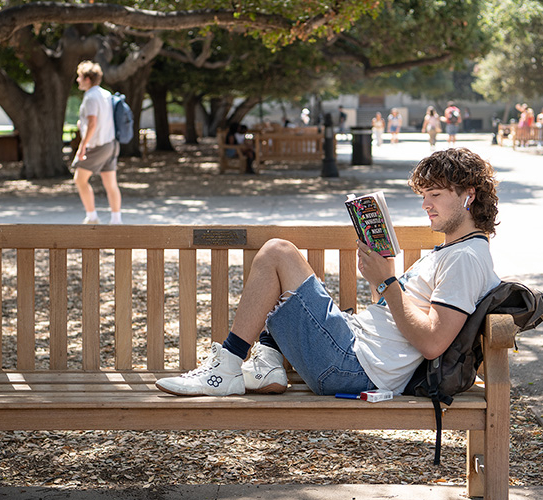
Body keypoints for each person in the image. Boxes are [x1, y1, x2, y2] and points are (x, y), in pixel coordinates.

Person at [155, 147, 502, 397]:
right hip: (355, 352)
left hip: (354, 368)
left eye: (436, 194)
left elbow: (432, 342)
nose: (426, 204)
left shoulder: (467, 258)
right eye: (424, 195)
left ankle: (227, 367)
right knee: (289, 273)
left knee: (279, 252)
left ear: (468, 196)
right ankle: (268, 363)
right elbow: (397, 316)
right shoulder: (455, 251)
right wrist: (379, 277)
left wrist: (388, 281)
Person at [72, 60, 123, 225]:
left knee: (79, 179)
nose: (77, 80)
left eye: (79, 77)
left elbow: (93, 123)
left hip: (98, 145)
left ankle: (92, 217)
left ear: (87, 79)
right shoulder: (106, 94)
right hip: (111, 143)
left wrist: (82, 146)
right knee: (110, 183)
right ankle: (116, 220)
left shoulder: (90, 97)